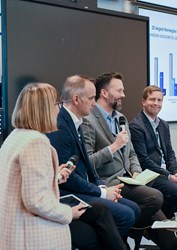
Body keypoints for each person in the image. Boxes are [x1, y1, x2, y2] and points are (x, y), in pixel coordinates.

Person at [82, 72, 177, 250]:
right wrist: (113, 147)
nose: (123, 95)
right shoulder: (88, 121)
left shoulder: (120, 119)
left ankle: (133, 229)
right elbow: (88, 162)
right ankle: (131, 229)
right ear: (104, 93)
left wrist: (136, 171)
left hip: (130, 179)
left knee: (171, 243)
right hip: (109, 183)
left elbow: (132, 153)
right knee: (154, 196)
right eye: (119, 90)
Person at [46, 74, 140, 243]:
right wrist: (102, 192)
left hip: (85, 186)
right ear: (76, 99)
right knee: (126, 214)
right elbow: (68, 178)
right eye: (91, 98)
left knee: (133, 209)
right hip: (68, 192)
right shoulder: (61, 127)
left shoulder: (76, 121)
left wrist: (101, 185)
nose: (94, 103)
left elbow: (88, 165)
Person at [0, 83, 85, 250]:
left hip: (12, 229)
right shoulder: (36, 142)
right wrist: (69, 213)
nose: (59, 109)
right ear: (45, 108)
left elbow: (20, 184)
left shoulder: (15, 136)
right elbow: (36, 201)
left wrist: (54, 176)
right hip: (31, 235)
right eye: (57, 104)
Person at [129, 85, 177, 219]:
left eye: (159, 100)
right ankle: (155, 223)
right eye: (152, 99)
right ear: (143, 102)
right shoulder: (136, 126)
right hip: (150, 175)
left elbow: (169, 153)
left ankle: (167, 221)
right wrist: (169, 176)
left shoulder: (163, 124)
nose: (156, 103)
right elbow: (143, 160)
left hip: (168, 173)